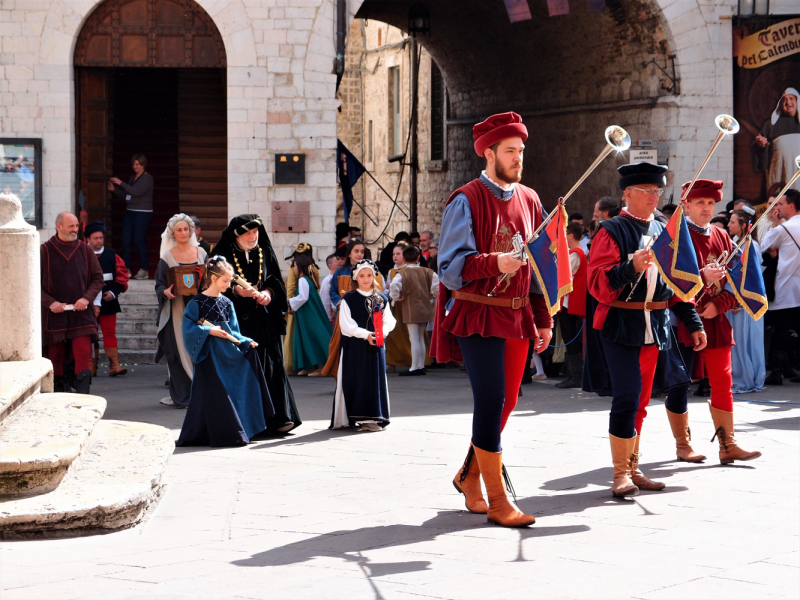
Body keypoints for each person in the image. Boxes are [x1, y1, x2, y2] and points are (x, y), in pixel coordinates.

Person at [433, 111, 553, 527]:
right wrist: (495, 262)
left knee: (510, 399)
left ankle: (469, 475)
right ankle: (498, 500)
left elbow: (539, 270)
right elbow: (450, 267)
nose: (518, 158)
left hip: (518, 315)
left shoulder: (532, 199)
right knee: (491, 398)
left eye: (521, 151)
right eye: (510, 151)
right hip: (478, 312)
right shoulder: (465, 199)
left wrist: (543, 318)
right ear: (488, 153)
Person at [586, 162, 707, 497]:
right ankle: (619, 475)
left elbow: (676, 283)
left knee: (641, 400)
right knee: (626, 396)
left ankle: (634, 468)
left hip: (656, 323)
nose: (655, 196)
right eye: (647, 191)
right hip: (621, 323)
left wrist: (693, 322)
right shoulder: (611, 230)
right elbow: (597, 282)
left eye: (658, 191)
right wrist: (631, 266)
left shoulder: (666, 228)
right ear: (627, 193)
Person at [665, 180, 762, 464]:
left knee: (723, 381)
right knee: (679, 383)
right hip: (681, 318)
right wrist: (700, 277)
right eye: (700, 203)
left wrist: (720, 304)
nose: (706, 208)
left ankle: (727, 444)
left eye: (710, 204)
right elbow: (666, 279)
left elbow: (740, 280)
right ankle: (683, 445)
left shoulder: (722, 236)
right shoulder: (675, 236)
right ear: (687, 205)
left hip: (716, 320)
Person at [212, 215, 301, 433]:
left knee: (272, 367)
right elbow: (210, 287)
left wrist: (268, 294)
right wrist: (235, 291)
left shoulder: (264, 252)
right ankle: (247, 422)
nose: (253, 237)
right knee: (245, 371)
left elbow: (275, 282)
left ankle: (279, 419)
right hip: (236, 324)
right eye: (247, 233)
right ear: (236, 235)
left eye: (256, 232)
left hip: (264, 321)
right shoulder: (222, 257)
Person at [177, 256, 275, 447]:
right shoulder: (196, 303)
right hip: (209, 356)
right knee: (217, 395)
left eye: (230, 281)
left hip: (227, 353)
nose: (229, 285)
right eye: (225, 281)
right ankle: (228, 434)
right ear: (213, 278)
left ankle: (235, 430)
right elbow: (188, 329)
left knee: (232, 391)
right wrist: (209, 330)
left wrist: (247, 341)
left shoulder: (227, 303)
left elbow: (234, 332)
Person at [41, 212, 104, 393]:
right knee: (55, 357)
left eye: (77, 225)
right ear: (58, 226)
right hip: (54, 316)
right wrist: (50, 302)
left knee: (83, 354)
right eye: (71, 226)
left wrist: (86, 298)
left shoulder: (85, 249)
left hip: (81, 315)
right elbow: (33, 283)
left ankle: (83, 398)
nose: (75, 229)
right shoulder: (44, 250)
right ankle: (58, 397)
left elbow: (98, 279)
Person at [330, 259, 396, 431]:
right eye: (362, 276)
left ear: (374, 276)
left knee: (374, 380)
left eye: (369, 275)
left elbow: (389, 321)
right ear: (356, 278)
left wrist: (381, 333)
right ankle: (358, 417)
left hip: (376, 347)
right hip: (355, 348)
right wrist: (366, 335)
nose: (366, 279)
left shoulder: (381, 299)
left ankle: (374, 416)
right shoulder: (349, 299)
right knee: (356, 379)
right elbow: (346, 325)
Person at [155, 213, 207, 408]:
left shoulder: (201, 254)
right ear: (173, 234)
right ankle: (184, 396)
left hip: (200, 309)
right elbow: (159, 284)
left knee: (201, 348)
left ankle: (202, 393)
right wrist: (166, 292)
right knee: (179, 351)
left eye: (186, 229)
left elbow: (210, 278)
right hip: (177, 310)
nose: (183, 233)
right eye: (179, 230)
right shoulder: (167, 257)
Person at [760, 189, 800, 384]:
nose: (777, 207)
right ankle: (792, 368)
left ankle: (776, 372)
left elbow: (762, 246)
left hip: (785, 288)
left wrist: (776, 224)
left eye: (781, 204)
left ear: (791, 206)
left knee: (781, 331)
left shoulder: (783, 229)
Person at [727, 209, 766, 393]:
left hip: (745, 302)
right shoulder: (736, 243)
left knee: (747, 341)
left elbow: (753, 278)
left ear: (743, 225)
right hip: (734, 301)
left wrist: (740, 301)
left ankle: (748, 378)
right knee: (738, 342)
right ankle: (740, 376)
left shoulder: (751, 246)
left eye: (732, 222)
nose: (729, 225)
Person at [85, 221, 129, 377]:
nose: (99, 241)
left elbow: (122, 278)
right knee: (91, 334)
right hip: (88, 303)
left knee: (110, 333)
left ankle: (114, 366)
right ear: (88, 239)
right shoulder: (82, 255)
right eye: (95, 238)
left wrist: (113, 292)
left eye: (101, 238)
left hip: (109, 301)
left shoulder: (112, 255)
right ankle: (91, 367)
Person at [321, 239, 368, 377]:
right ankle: (343, 375)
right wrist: (339, 302)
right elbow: (333, 291)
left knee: (360, 346)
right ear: (349, 254)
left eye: (362, 252)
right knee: (342, 345)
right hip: (344, 315)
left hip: (361, 314)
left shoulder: (367, 270)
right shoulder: (341, 271)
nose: (359, 254)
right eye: (356, 251)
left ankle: (361, 376)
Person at [390, 245, 438, 376]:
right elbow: (437, 283)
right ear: (418, 257)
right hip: (424, 307)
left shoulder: (403, 273)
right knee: (421, 337)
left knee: (414, 338)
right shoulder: (427, 271)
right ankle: (421, 365)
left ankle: (414, 367)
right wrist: (433, 293)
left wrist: (396, 297)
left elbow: (394, 285)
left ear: (404, 258)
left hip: (410, 308)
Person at [109, 153, 153, 280]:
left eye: (137, 164)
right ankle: (126, 269)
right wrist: (114, 190)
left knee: (138, 240)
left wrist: (120, 182)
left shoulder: (147, 178)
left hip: (142, 213)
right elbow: (126, 195)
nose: (135, 166)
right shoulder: (133, 177)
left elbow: (136, 192)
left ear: (143, 165)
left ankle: (144, 269)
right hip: (130, 212)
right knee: (125, 239)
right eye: (133, 164)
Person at [288, 251, 333, 376]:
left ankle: (321, 366)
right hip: (305, 314)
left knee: (313, 337)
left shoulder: (303, 280)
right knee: (307, 338)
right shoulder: (307, 279)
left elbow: (303, 297)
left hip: (309, 314)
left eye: (295, 266)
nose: (294, 269)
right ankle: (309, 366)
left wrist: (289, 301)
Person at [555, 221, 587, 388]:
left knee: (570, 338)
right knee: (568, 338)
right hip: (568, 302)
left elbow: (565, 275)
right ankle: (572, 374)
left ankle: (575, 375)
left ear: (570, 235)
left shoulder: (576, 254)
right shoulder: (575, 253)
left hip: (570, 302)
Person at [752, 88, 800, 193]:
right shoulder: (771, 124)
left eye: (791, 98)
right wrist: (760, 144)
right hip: (779, 171)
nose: (788, 103)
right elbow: (758, 146)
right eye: (784, 100)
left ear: (797, 101)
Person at [384, 242, 413, 370]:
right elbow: (388, 286)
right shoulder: (391, 271)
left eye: (398, 254)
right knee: (394, 333)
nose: (395, 256)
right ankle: (393, 361)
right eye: (393, 254)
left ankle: (412, 360)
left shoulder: (410, 269)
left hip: (408, 305)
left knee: (410, 334)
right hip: (395, 305)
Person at [320, 254, 338, 323]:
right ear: (330, 266)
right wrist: (328, 318)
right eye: (336, 261)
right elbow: (325, 300)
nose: (339, 262)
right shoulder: (327, 280)